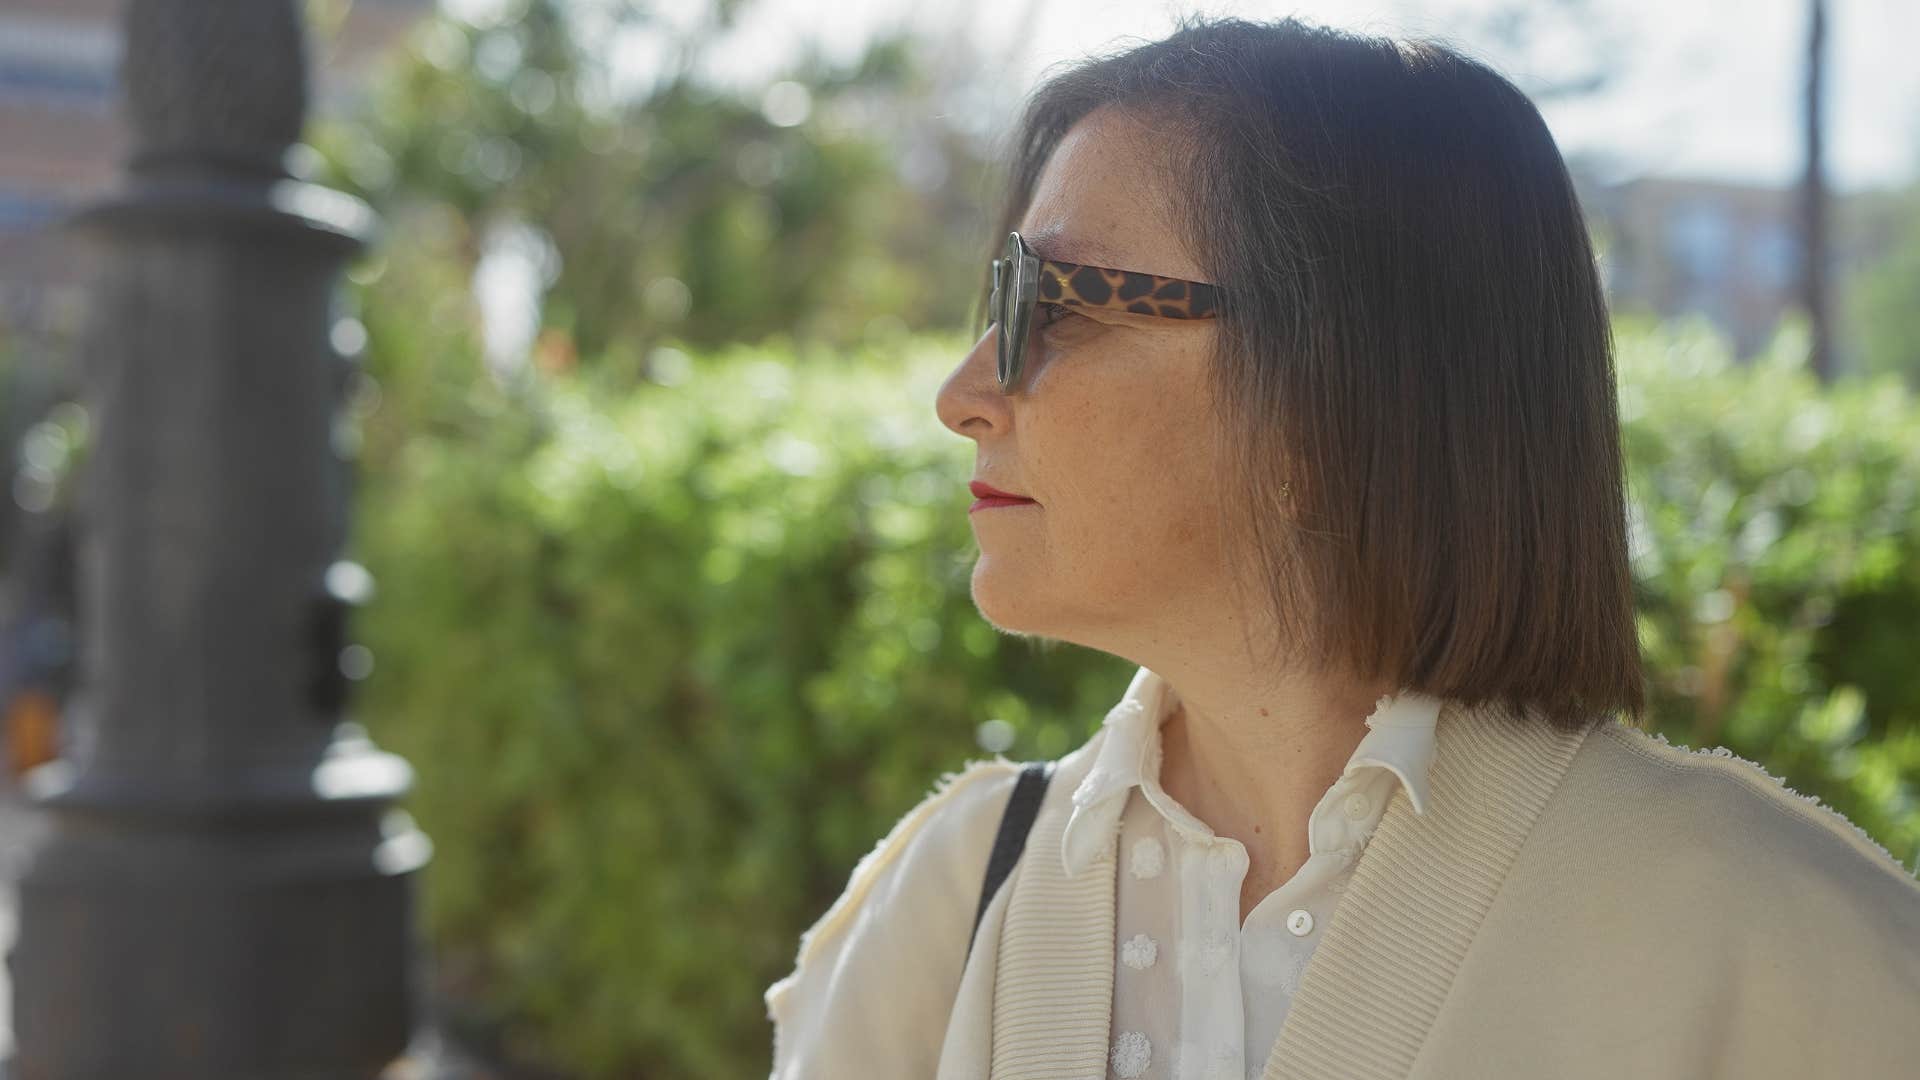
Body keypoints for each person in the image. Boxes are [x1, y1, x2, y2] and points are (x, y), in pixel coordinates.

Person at [764, 15, 1920, 1080]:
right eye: (998, 301)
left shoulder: (1781, 952)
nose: (963, 394)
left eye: (1052, 302)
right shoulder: (958, 901)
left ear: (1337, 383)